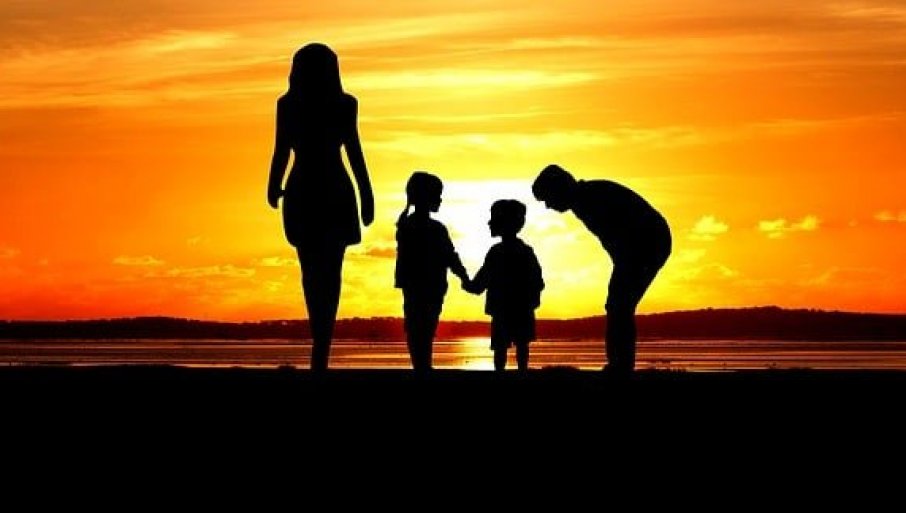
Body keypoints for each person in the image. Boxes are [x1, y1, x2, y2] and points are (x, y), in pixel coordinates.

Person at [267, 43, 374, 371]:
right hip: (307, 191)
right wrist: (273, 183)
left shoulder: (344, 104)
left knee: (324, 271)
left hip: (325, 190)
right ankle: (321, 339)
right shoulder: (288, 105)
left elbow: (353, 148)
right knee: (315, 271)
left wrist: (366, 193)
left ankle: (322, 342)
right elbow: (281, 148)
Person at [532, 164, 670, 374]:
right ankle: (620, 364)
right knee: (619, 305)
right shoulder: (584, 199)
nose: (548, 206)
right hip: (642, 245)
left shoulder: (590, 199)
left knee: (619, 305)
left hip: (648, 242)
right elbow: (612, 239)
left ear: (559, 189)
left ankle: (620, 366)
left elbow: (619, 232)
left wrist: (623, 263)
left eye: (547, 199)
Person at [395, 172, 469, 371]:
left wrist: (463, 276)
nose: (440, 199)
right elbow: (450, 256)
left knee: (418, 326)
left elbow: (449, 256)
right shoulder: (432, 229)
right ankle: (423, 367)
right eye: (437, 195)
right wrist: (464, 277)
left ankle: (421, 366)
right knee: (423, 326)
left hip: (420, 285)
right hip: (429, 285)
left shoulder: (407, 226)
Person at [465, 200, 544, 372]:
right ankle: (520, 373)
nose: (489, 223)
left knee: (502, 348)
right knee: (519, 346)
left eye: (494, 219)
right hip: (520, 309)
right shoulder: (525, 251)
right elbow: (538, 282)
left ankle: (502, 376)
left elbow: (480, 283)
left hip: (503, 309)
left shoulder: (497, 252)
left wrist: (468, 284)